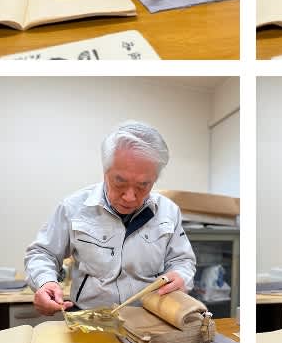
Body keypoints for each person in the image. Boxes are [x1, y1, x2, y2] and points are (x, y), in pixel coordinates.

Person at [26, 121, 195, 314]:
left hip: (150, 319)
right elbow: (42, 253)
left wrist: (181, 275)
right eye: (119, 182)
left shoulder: (168, 212)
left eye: (143, 185)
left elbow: (182, 260)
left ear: (154, 179)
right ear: (105, 171)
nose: (130, 197)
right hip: (89, 318)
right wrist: (45, 282)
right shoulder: (73, 207)